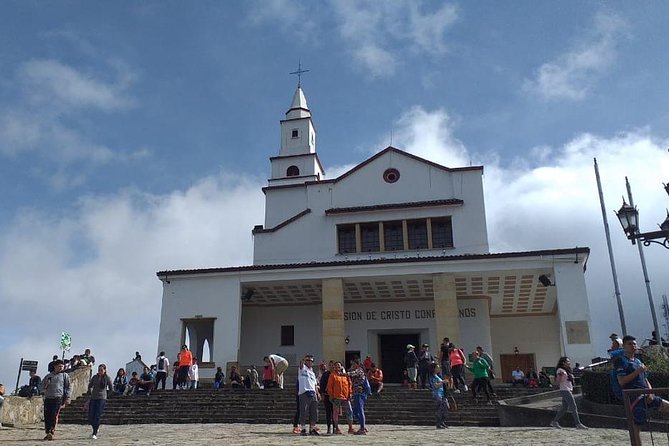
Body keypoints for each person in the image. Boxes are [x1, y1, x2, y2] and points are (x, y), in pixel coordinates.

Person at [616, 334, 669, 426]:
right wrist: (638, 371)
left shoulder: (638, 361)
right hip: (634, 397)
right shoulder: (621, 361)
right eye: (630, 344)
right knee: (637, 426)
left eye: (634, 344)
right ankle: (636, 440)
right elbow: (622, 381)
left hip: (646, 395)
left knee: (667, 406)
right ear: (624, 346)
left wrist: (650, 392)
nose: (633, 346)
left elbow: (645, 379)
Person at [550, 356, 587, 429]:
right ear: (563, 363)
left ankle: (554, 422)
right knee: (573, 406)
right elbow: (558, 382)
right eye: (567, 361)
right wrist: (559, 376)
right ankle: (578, 424)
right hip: (565, 390)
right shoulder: (560, 370)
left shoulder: (567, 370)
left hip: (568, 389)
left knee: (564, 408)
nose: (569, 363)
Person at [42, 359, 71, 440]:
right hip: (48, 398)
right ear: (55, 366)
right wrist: (45, 386)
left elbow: (69, 387)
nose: (61, 368)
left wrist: (67, 398)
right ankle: (47, 432)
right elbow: (41, 386)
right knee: (47, 416)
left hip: (58, 398)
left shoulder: (65, 376)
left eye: (62, 366)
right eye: (59, 366)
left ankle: (52, 431)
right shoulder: (49, 376)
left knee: (54, 415)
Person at [326, 361, 354, 435]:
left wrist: (350, 394)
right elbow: (329, 387)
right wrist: (331, 396)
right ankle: (337, 428)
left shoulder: (345, 375)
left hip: (346, 397)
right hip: (336, 397)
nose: (338, 367)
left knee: (350, 411)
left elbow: (349, 385)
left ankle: (350, 427)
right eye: (336, 366)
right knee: (335, 413)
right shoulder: (332, 375)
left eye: (339, 365)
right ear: (334, 367)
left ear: (341, 366)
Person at [87, 364, 113, 439]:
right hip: (93, 397)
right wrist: (90, 391)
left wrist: (107, 395)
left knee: (97, 415)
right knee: (91, 416)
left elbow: (111, 388)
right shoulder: (95, 377)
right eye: (99, 370)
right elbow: (90, 385)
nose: (100, 371)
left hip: (101, 398)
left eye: (101, 370)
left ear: (104, 370)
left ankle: (94, 433)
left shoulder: (107, 378)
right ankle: (95, 427)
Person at [297, 355, 320, 436]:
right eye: (308, 360)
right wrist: (304, 359)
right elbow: (300, 364)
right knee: (304, 411)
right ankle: (303, 428)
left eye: (311, 361)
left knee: (314, 412)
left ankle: (312, 428)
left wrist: (317, 393)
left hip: (313, 393)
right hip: (304, 392)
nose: (310, 362)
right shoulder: (302, 369)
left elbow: (315, 384)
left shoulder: (313, 373)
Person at [347, 359, 370, 435]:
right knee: (356, 412)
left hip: (360, 393)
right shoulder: (358, 371)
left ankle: (362, 428)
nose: (352, 366)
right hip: (356, 393)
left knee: (360, 410)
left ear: (357, 364)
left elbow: (351, 374)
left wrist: (342, 373)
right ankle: (362, 425)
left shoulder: (359, 370)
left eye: (353, 364)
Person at [429, 363, 449, 429]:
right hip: (437, 394)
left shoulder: (438, 376)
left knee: (446, 408)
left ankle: (442, 421)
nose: (439, 368)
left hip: (442, 394)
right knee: (439, 409)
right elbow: (435, 386)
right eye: (437, 367)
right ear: (434, 369)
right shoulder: (432, 377)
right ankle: (438, 423)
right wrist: (443, 382)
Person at [319, 361, 333, 434]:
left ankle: (335, 427)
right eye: (330, 365)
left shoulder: (337, 374)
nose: (331, 367)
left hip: (335, 397)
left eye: (332, 365)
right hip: (327, 396)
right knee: (328, 412)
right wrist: (322, 394)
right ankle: (328, 428)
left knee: (335, 413)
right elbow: (322, 385)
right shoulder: (325, 374)